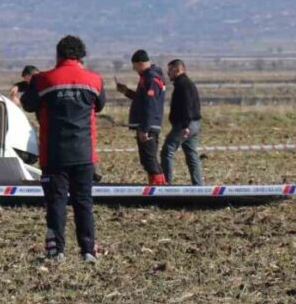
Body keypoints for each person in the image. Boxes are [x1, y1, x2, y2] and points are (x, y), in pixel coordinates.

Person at [21, 35, 104, 263]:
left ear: (58, 55)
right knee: (83, 202)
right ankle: (88, 250)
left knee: (56, 202)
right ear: (81, 56)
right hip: (84, 154)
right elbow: (100, 105)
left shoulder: (42, 80)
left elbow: (28, 104)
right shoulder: (95, 81)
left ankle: (56, 251)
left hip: (54, 154)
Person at [115, 49, 167, 185]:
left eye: (134, 66)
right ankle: (157, 184)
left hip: (148, 125)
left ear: (139, 64)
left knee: (149, 159)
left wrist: (144, 128)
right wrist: (126, 91)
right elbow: (141, 99)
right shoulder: (147, 77)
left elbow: (150, 104)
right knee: (148, 159)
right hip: (148, 124)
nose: (134, 70)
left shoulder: (151, 78)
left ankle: (159, 187)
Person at [161, 59, 203, 185]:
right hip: (194, 124)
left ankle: (166, 184)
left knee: (167, 151)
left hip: (185, 124)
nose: (168, 73)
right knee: (191, 154)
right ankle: (198, 185)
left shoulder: (183, 85)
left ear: (177, 69)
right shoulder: (187, 83)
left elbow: (187, 106)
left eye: (170, 70)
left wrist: (185, 126)